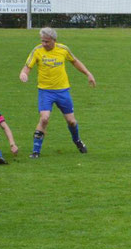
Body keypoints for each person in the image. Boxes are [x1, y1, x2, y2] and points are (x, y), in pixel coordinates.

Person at [19, 27, 96, 158]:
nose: (44, 44)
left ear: (54, 40)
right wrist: (23, 74)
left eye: (47, 42)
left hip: (63, 91)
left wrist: (88, 73)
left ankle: (77, 141)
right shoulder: (37, 51)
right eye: (42, 41)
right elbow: (27, 67)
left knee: (71, 121)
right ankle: (36, 151)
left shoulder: (63, 49)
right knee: (44, 118)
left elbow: (74, 61)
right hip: (45, 91)